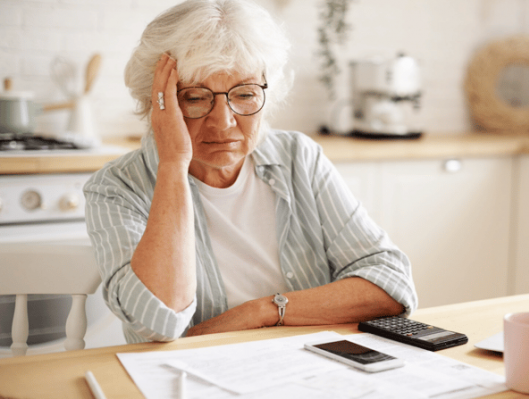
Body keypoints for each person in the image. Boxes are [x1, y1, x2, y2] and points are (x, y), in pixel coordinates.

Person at [84, 0, 417, 344]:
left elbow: (391, 285)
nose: (224, 121)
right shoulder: (116, 187)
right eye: (196, 98)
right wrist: (173, 165)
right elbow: (157, 324)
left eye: (244, 94)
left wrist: (263, 311)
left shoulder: (298, 158)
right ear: (158, 102)